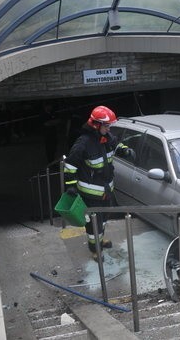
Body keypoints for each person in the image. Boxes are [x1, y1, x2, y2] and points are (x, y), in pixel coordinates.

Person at [63, 106, 122, 260]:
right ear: (96, 125)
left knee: (103, 219)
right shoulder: (83, 143)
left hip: (106, 191)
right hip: (90, 194)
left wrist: (125, 150)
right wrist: (70, 186)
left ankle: (100, 240)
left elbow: (116, 145)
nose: (109, 129)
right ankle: (95, 248)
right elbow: (70, 166)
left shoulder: (107, 137)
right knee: (93, 223)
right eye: (107, 125)